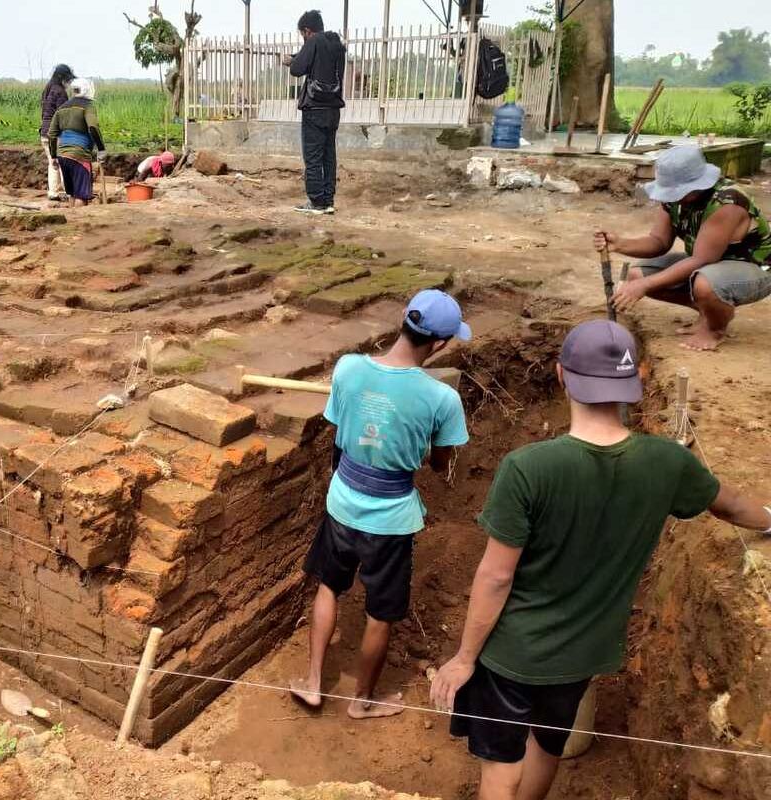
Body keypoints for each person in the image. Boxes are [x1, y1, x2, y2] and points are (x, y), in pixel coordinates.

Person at [430, 319, 771, 800]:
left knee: (501, 767)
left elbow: (496, 576)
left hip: (514, 655)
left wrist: (465, 659)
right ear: (635, 383)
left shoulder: (529, 468)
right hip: (583, 656)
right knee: (548, 747)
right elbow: (733, 505)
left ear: (561, 374)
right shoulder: (668, 463)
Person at [291, 290, 471, 719]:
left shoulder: (348, 368)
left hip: (342, 502)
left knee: (329, 587)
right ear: (441, 343)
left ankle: (315, 684)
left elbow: (338, 427)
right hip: (390, 519)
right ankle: (362, 702)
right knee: (381, 612)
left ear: (402, 321)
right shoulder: (442, 399)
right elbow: (441, 460)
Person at [595, 145, 771, 352]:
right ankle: (708, 312)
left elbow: (701, 260)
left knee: (704, 285)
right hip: (708, 265)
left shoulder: (727, 202)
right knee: (636, 275)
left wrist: (645, 285)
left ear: (696, 186)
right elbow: (658, 241)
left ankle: (716, 328)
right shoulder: (674, 201)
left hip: (754, 267)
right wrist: (620, 244)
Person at [281, 10, 346, 215]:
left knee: (313, 157)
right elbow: (320, 64)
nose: (304, 38)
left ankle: (316, 202)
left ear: (307, 31)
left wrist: (291, 61)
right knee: (329, 156)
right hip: (333, 109)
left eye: (303, 35)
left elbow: (298, 69)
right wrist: (299, 56)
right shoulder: (337, 45)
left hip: (314, 108)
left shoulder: (313, 41)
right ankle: (328, 200)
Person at [47, 78, 105, 207]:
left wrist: (54, 156)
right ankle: (81, 223)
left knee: (72, 194)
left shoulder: (61, 108)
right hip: (80, 156)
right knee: (82, 196)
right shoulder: (88, 106)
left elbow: (51, 134)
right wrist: (101, 149)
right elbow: (93, 127)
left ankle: (71, 221)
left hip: (63, 156)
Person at [40, 64, 76, 201]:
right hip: (56, 133)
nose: (68, 82)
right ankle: (69, 192)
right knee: (63, 162)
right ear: (62, 77)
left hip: (45, 132)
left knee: (53, 162)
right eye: (67, 78)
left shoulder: (48, 88)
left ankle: (53, 193)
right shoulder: (60, 92)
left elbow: (45, 113)